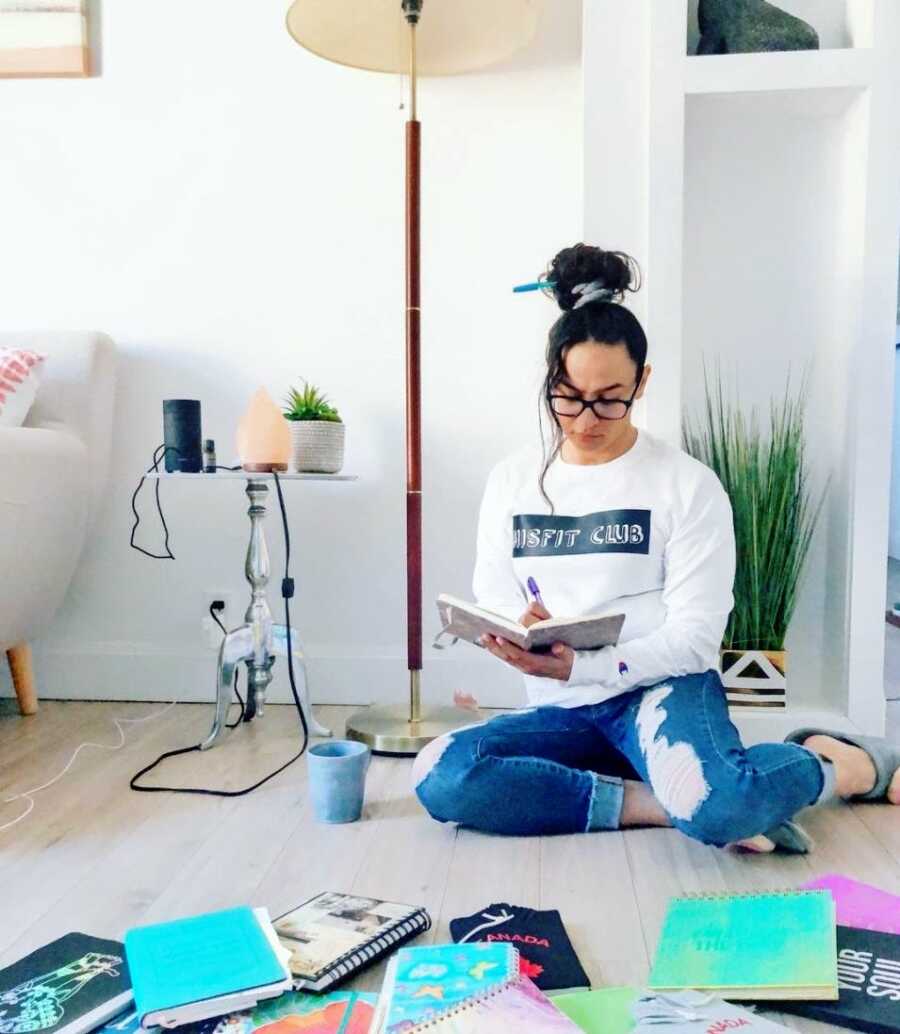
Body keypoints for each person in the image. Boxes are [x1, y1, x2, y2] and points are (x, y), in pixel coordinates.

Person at [412, 243, 900, 852]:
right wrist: (518, 630)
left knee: (720, 805)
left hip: (661, 693)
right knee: (442, 776)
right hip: (563, 707)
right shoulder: (512, 480)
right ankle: (658, 803)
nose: (585, 419)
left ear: (642, 382)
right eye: (567, 395)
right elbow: (496, 593)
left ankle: (838, 763)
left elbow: (695, 640)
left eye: (609, 398)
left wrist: (582, 664)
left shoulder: (687, 485)